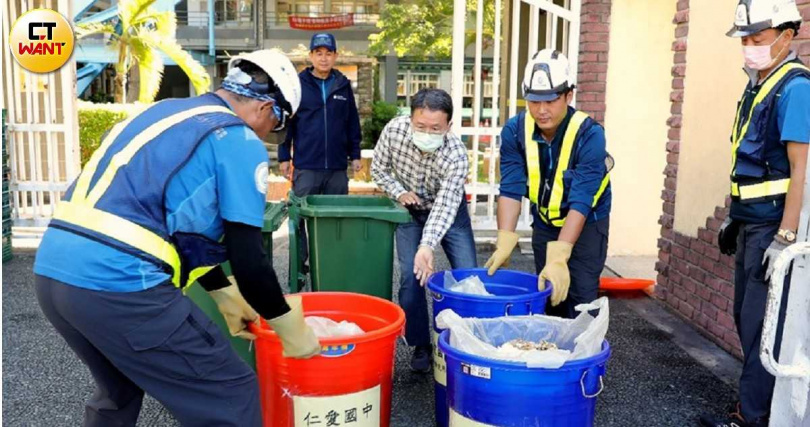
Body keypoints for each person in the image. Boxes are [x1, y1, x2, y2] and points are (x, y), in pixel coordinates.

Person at [32, 49, 321, 427]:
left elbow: (175, 227)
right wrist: (288, 327)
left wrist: (222, 292)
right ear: (267, 109)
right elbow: (249, 258)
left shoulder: (163, 112)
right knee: (229, 393)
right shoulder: (237, 138)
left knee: (117, 391)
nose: (269, 134)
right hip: (120, 284)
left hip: (53, 273)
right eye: (278, 126)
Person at [702, 1, 809, 426]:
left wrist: (785, 237)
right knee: (745, 319)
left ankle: (752, 418)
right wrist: (735, 216)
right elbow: (749, 162)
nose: (749, 47)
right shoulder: (759, 84)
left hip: (771, 227)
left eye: (757, 39)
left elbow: (801, 166)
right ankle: (750, 410)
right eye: (745, 39)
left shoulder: (795, 88)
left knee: (761, 325)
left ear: (787, 35)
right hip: (752, 221)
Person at [484, 49, 612, 319]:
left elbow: (582, 199)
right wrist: (505, 238)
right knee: (549, 294)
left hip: (587, 221)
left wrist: (561, 253)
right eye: (533, 101)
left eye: (551, 100)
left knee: (580, 297)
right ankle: (551, 357)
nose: (541, 110)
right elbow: (511, 187)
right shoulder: (514, 131)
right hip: (545, 220)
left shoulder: (590, 135)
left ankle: (582, 358)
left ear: (568, 95)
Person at [371, 88, 477, 372]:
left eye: (435, 128)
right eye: (420, 126)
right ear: (410, 119)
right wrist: (399, 191)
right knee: (410, 276)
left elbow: (444, 207)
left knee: (468, 275)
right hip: (408, 210)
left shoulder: (455, 154)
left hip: (449, 213)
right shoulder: (394, 131)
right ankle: (421, 345)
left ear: (448, 127)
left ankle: (467, 341)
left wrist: (427, 245)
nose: (427, 133)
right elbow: (378, 169)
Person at [278, 33, 363, 273]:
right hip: (307, 166)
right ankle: (300, 268)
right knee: (300, 218)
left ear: (335, 56)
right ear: (311, 56)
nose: (324, 58)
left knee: (336, 219)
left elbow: (352, 123)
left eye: (328, 53)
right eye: (319, 53)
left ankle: (332, 265)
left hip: (336, 168)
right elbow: (287, 124)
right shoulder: (297, 85)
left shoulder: (343, 85)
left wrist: (355, 153)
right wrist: (285, 156)